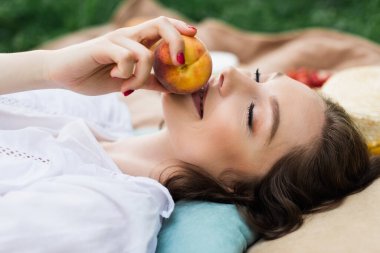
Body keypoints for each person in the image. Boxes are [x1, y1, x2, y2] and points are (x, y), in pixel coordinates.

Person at [0, 16, 379, 250]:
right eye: (258, 77)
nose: (230, 75)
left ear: (240, 190)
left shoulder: (102, 214)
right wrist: (47, 70)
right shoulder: (96, 105)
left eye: (251, 114)